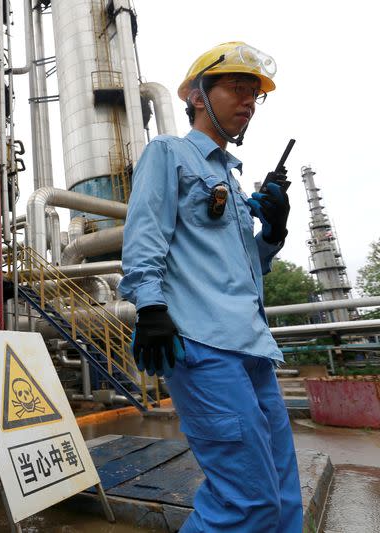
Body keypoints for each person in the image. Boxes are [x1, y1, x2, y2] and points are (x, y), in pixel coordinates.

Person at [119, 42, 303, 532]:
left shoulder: (234, 182)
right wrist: (151, 307)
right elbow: (144, 236)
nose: (248, 102)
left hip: (251, 345)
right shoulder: (169, 153)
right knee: (247, 499)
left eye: (254, 95)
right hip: (203, 344)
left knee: (283, 492)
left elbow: (246, 270)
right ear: (199, 95)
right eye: (238, 89)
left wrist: (274, 233)